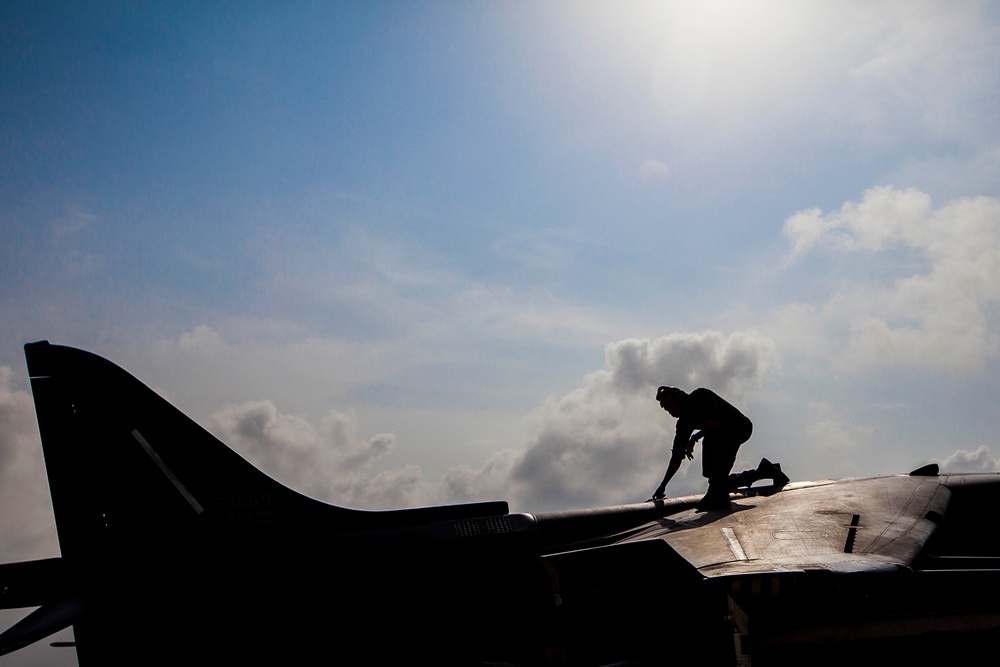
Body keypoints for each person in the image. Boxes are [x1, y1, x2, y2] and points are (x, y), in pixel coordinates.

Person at [650, 385, 758, 510]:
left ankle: (716, 492)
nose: (670, 412)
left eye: (670, 407)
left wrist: (695, 437)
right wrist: (663, 485)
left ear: (678, 399)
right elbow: (677, 456)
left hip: (739, 427)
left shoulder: (700, 396)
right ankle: (762, 472)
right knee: (718, 481)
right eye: (666, 410)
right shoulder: (683, 424)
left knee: (711, 440)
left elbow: (718, 419)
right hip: (723, 435)